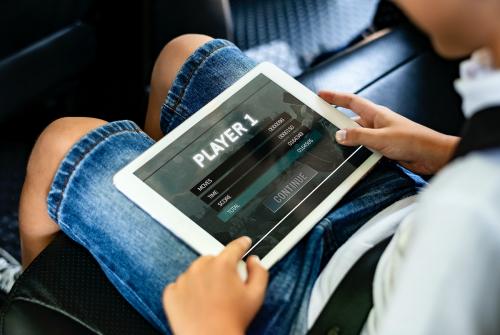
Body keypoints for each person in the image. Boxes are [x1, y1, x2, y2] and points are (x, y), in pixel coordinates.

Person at [18, 0, 500, 333]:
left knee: (65, 145)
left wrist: (212, 326)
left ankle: (38, 296)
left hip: (311, 309)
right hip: (392, 211)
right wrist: (446, 152)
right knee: (186, 56)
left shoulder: (472, 211)